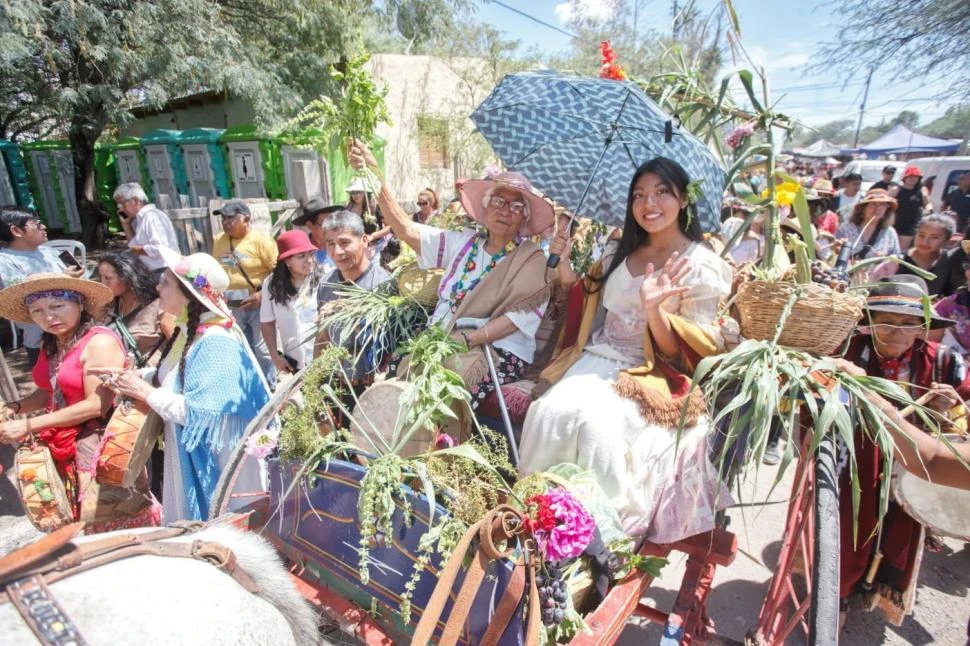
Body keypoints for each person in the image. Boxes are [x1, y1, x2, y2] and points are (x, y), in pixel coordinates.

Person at [518, 157, 734, 543]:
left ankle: (602, 536)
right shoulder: (621, 248)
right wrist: (563, 260)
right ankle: (537, 516)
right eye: (639, 195)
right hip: (598, 358)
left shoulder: (702, 265)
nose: (648, 203)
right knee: (548, 411)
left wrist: (654, 310)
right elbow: (580, 293)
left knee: (596, 429)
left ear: (684, 199)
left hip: (650, 372)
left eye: (661, 192)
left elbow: (685, 354)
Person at [350, 141, 553, 408]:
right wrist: (376, 177)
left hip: (496, 351)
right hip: (443, 338)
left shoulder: (532, 259)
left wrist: (468, 340)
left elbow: (516, 320)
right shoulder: (464, 243)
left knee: (447, 389)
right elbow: (405, 229)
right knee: (400, 369)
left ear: (524, 218)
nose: (505, 211)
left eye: (516, 206)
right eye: (499, 201)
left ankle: (444, 447)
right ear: (485, 207)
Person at [95, 250, 270, 522]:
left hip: (220, 465)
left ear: (189, 293)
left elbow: (200, 414)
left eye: (165, 282)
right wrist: (135, 377)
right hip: (196, 452)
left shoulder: (216, 341)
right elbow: (178, 378)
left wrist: (145, 392)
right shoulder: (190, 332)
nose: (157, 287)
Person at [838, 276, 969, 625]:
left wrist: (942, 410)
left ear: (923, 327)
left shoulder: (944, 363)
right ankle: (833, 596)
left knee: (898, 529)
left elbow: (956, 428)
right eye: (885, 322)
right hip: (854, 462)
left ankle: (876, 587)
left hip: (912, 466)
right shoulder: (847, 351)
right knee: (848, 530)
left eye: (908, 324)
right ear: (868, 323)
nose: (896, 332)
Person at [0, 274, 157, 532]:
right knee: (75, 525)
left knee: (110, 525)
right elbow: (49, 390)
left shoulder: (99, 341)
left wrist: (28, 424)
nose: (48, 317)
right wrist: (16, 407)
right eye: (37, 310)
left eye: (56, 307)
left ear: (80, 304)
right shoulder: (52, 342)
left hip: (97, 446)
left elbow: (96, 405)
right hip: (64, 443)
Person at [315, 210, 391, 384]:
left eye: (344, 242)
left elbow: (392, 344)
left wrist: (354, 316)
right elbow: (322, 338)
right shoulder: (326, 285)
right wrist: (317, 380)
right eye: (330, 244)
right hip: (338, 385)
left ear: (364, 241)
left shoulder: (383, 285)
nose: (337, 252)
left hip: (373, 385)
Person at [0, 206, 82, 365]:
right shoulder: (5, 262)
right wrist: (62, 279)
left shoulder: (47, 251)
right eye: (36, 224)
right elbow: (19, 296)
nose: (43, 227)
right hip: (43, 341)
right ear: (16, 231)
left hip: (76, 333)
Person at [211, 200, 278, 379]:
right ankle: (252, 383)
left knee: (262, 349)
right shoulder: (219, 241)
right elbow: (216, 269)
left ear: (246, 219)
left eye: (231, 219)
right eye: (223, 218)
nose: (225, 223)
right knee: (242, 347)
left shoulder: (261, 241)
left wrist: (261, 295)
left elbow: (279, 272)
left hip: (258, 304)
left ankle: (270, 384)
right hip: (232, 305)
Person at [260, 230, 319, 375]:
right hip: (296, 359)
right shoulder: (271, 284)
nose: (309, 260)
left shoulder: (324, 278)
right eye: (302, 256)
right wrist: (275, 356)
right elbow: (267, 322)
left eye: (311, 254)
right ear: (287, 261)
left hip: (323, 355)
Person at [98, 251, 167, 365]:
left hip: (150, 373)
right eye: (101, 277)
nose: (102, 283)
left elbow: (177, 345)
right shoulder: (109, 305)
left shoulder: (158, 306)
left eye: (108, 278)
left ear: (127, 277)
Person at [113, 183, 180, 276]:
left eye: (122, 204)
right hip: (152, 272)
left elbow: (160, 248)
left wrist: (135, 250)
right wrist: (125, 224)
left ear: (135, 200)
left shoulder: (152, 216)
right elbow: (133, 245)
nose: (121, 210)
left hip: (164, 271)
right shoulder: (139, 220)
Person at [889, 213, 956, 296]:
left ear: (947, 240)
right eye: (921, 235)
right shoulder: (896, 262)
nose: (925, 242)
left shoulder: (949, 263)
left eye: (934, 237)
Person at [836, 188, 901, 260]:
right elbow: (835, 249)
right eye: (873, 204)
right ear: (863, 208)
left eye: (882, 205)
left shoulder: (890, 232)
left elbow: (897, 256)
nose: (878, 209)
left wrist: (885, 257)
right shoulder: (847, 227)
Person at [292, 197, 342, 276]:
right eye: (325, 224)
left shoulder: (340, 246)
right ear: (309, 225)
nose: (330, 227)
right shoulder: (300, 254)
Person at [892, 166, 932, 251]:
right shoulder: (897, 190)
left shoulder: (922, 191)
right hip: (895, 222)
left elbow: (927, 204)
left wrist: (928, 211)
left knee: (901, 248)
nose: (912, 179)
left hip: (911, 224)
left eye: (915, 177)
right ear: (905, 178)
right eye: (910, 177)